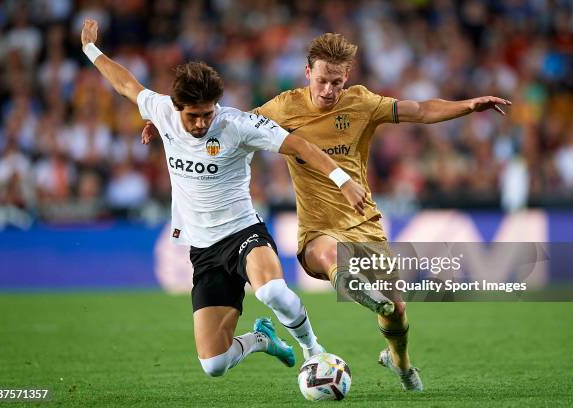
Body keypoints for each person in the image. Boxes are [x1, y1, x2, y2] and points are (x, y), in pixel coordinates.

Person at [142, 33, 511, 390]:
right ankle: (347, 309)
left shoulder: (362, 103)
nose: (328, 90)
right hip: (317, 230)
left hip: (364, 226)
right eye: (321, 80)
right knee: (331, 254)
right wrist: (167, 123)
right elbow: (223, 126)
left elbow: (419, 109)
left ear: (347, 76)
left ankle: (399, 360)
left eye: (336, 81)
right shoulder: (284, 107)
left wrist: (468, 106)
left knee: (396, 313)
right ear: (307, 73)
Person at [80, 20, 370, 378]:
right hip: (203, 249)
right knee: (213, 364)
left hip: (243, 232)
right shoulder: (162, 110)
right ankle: (261, 340)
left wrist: (342, 179)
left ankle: (315, 352)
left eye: (208, 113)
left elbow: (299, 145)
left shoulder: (237, 125)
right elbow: (125, 84)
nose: (202, 123)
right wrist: (90, 49)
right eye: (193, 116)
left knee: (274, 292)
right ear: (177, 106)